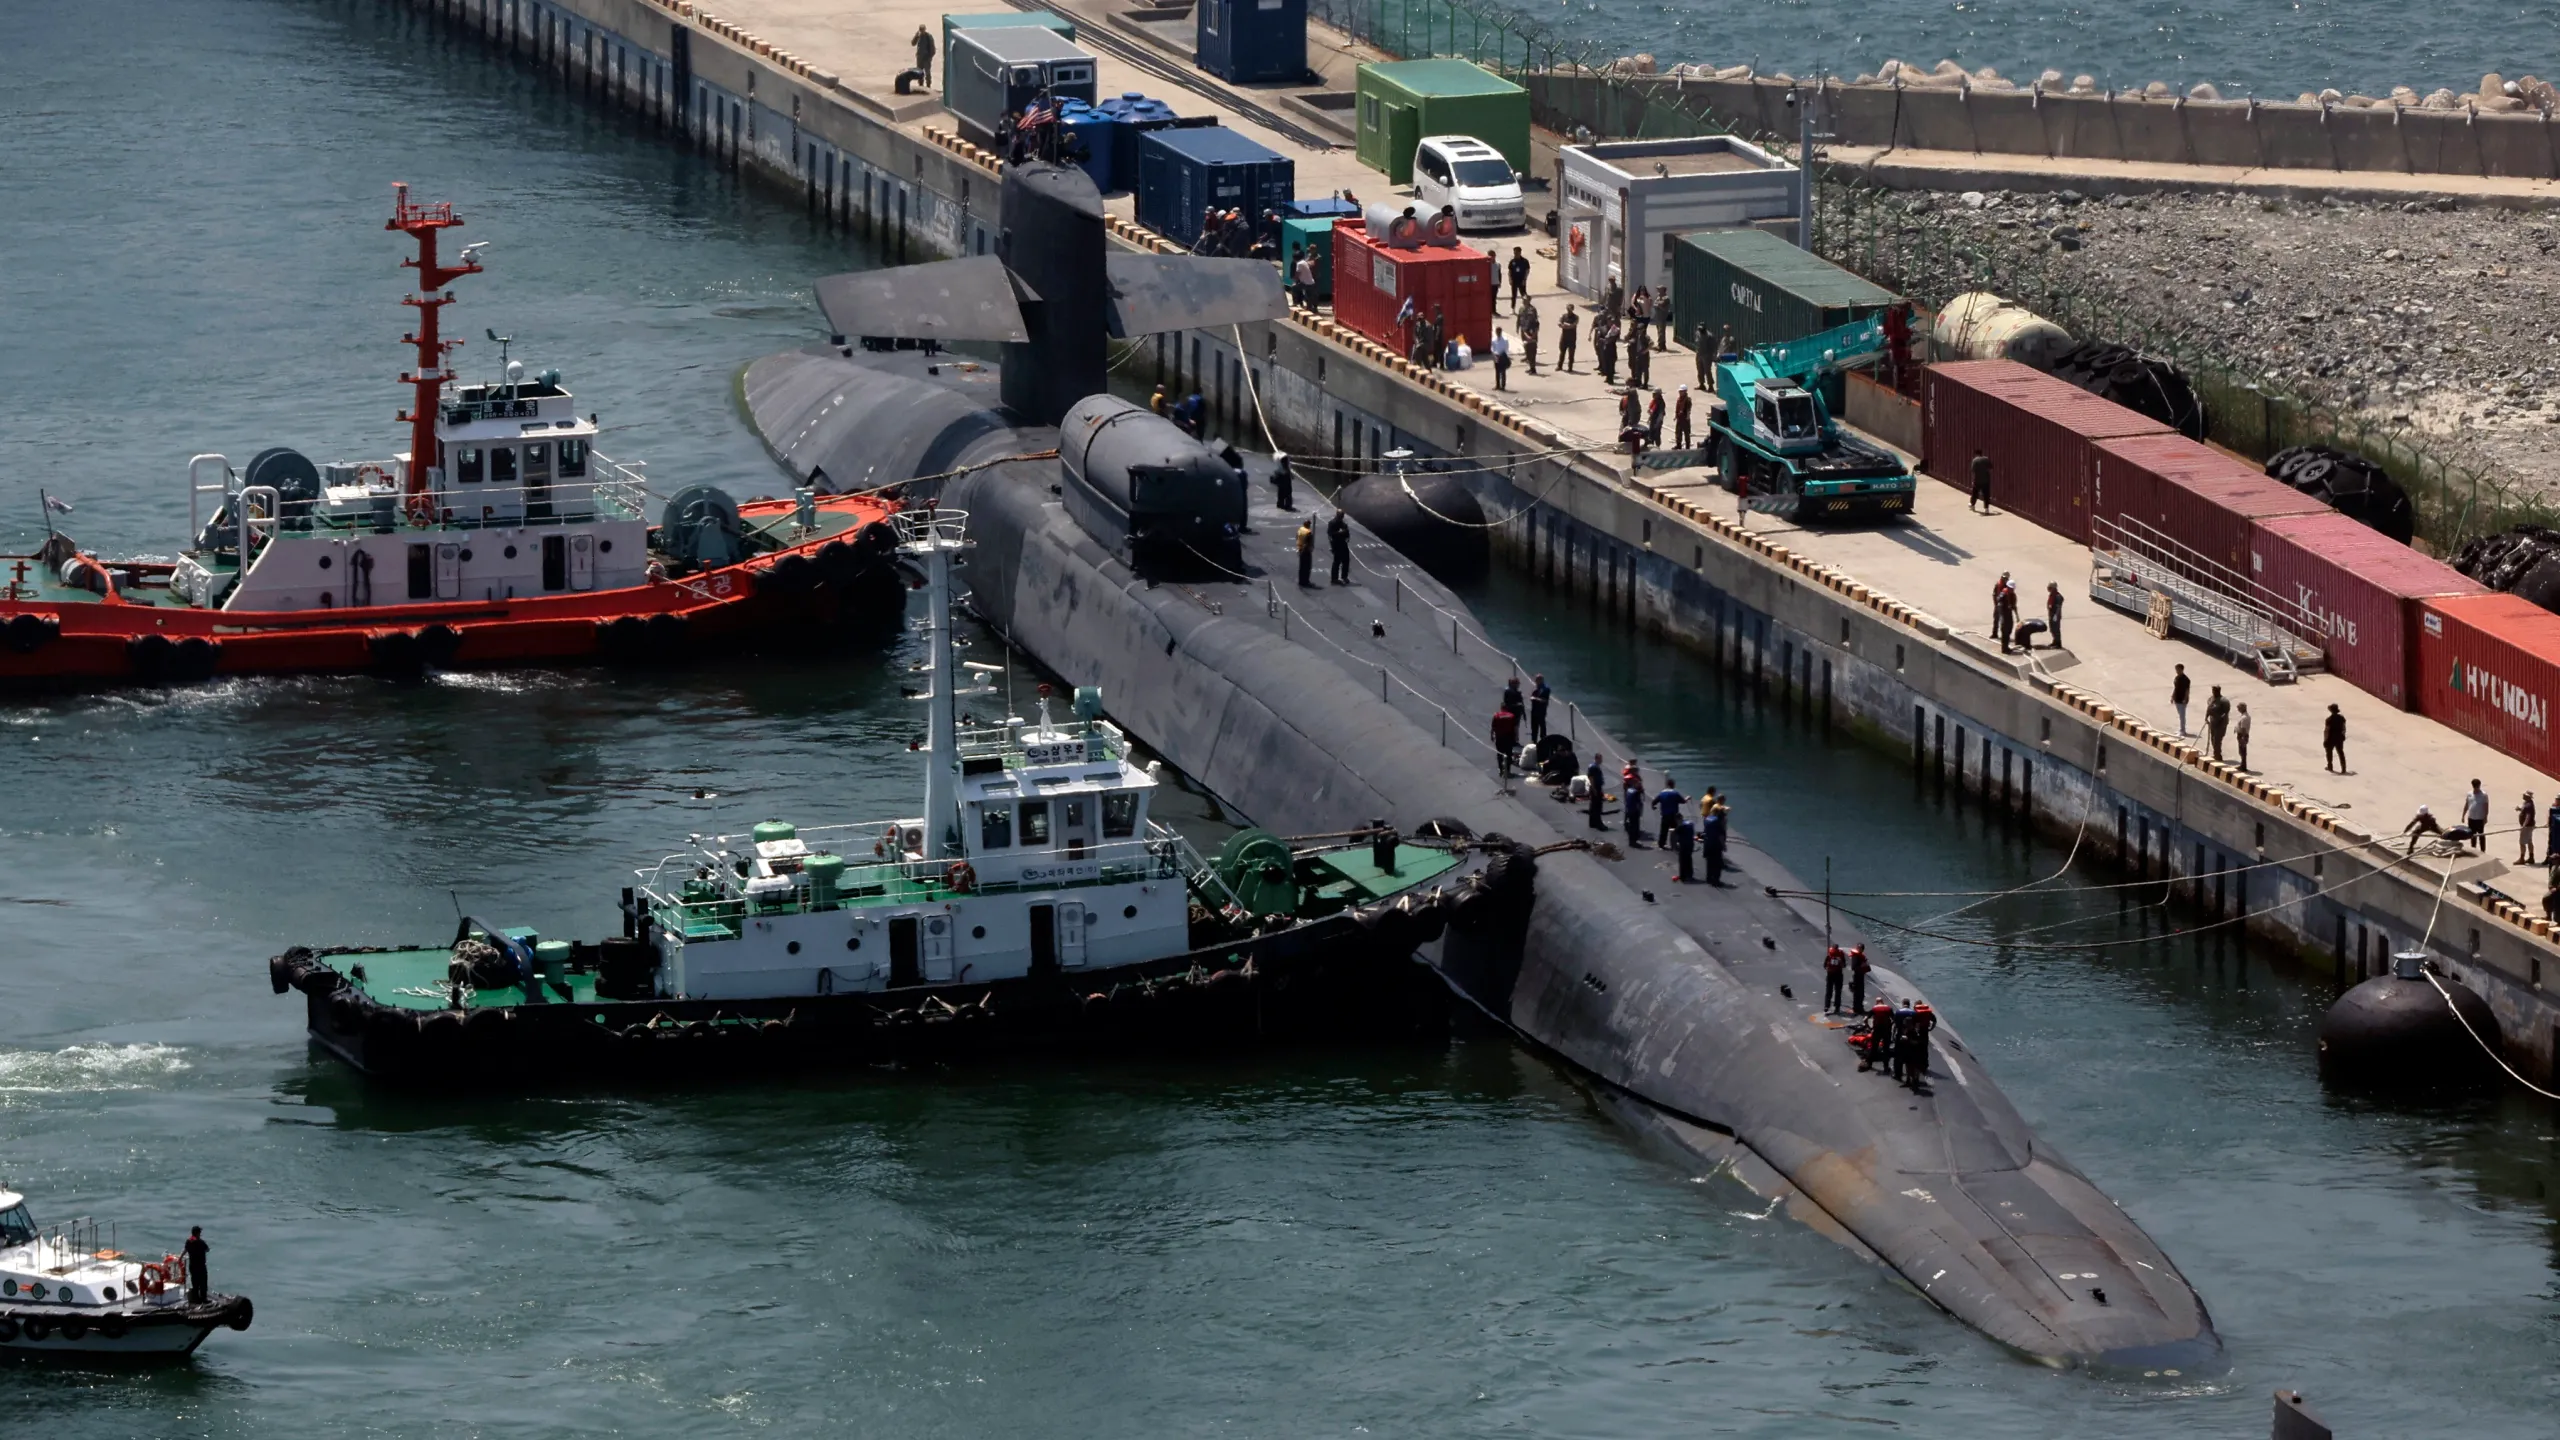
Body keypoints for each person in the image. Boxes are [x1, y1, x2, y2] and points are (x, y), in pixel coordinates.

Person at [1858, 998, 1892, 1072]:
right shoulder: (1888, 1008)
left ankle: (1869, 1063)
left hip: (1877, 1030)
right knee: (1886, 1049)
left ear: (1876, 1003)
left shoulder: (1874, 1009)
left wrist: (1869, 1027)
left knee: (1874, 1047)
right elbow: (1894, 1019)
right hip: (1886, 1031)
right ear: (1883, 1002)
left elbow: (1865, 1019)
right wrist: (1890, 1026)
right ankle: (1886, 1067)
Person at [1699, 802, 1728, 885]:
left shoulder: (1708, 818)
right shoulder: (1718, 822)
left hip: (1707, 843)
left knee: (1709, 862)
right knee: (1717, 863)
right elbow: (1720, 836)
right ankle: (1716, 880)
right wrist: (1724, 846)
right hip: (1715, 845)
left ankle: (1708, 878)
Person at [1655, 775, 1686, 847]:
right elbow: (1683, 801)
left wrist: (1653, 806)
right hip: (1673, 815)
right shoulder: (1675, 793)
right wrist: (1687, 798)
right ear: (1673, 785)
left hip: (1665, 815)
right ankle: (1676, 843)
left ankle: (1661, 844)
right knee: (1676, 829)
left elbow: (1654, 801)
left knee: (1663, 830)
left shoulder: (1662, 793)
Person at [1491, 704, 1520, 779]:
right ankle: (1508, 771)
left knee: (1500, 754)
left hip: (1499, 737)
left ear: (1501, 708)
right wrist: (1516, 737)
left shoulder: (1496, 715)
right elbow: (1515, 728)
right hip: (1509, 737)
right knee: (1509, 754)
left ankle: (1501, 770)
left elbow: (1493, 727)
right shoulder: (1512, 716)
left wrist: (1492, 736)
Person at [183, 1226, 210, 1304]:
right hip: (201, 1266)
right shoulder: (201, 1242)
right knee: (203, 1283)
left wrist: (180, 1258)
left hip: (192, 1266)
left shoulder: (189, 1241)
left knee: (195, 1283)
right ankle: (203, 1299)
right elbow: (207, 1249)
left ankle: (196, 1299)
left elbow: (185, 1250)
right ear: (198, 1233)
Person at [1621, 764, 1646, 848]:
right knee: (1634, 825)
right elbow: (1638, 802)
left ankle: (1631, 838)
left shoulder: (1629, 790)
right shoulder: (1635, 791)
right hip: (1634, 810)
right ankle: (1633, 841)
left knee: (1630, 822)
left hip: (1629, 807)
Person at [2205, 686, 2231, 761]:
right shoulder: (2211, 699)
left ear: (2218, 691)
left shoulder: (2224, 701)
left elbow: (2225, 713)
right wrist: (2206, 717)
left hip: (2221, 724)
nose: (2213, 692)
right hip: (2213, 723)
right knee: (2213, 739)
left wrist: (2219, 719)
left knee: (2217, 740)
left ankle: (2218, 756)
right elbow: (2209, 709)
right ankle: (2215, 753)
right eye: (2213, 691)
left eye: (2215, 691)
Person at [2465, 779, 2491, 852]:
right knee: (2472, 835)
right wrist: (2463, 815)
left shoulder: (2484, 795)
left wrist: (2485, 817)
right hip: (2471, 818)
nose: (2476, 788)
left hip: (2480, 818)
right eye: (2475, 787)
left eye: (2477, 786)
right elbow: (2467, 804)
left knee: (2481, 835)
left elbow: (2486, 806)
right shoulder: (2469, 794)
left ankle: (2483, 850)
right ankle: (2473, 849)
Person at [1326, 508, 1352, 585]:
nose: (1342, 517)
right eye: (1341, 515)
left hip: (1343, 544)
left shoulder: (1343, 524)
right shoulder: (1332, 523)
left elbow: (1347, 533)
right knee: (1336, 562)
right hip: (1336, 544)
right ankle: (1334, 578)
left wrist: (1347, 537)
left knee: (1346, 560)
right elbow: (1330, 534)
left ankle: (1344, 576)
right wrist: (1339, 533)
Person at [1628, 315, 1652, 389]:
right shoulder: (1637, 336)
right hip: (1638, 355)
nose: (1638, 330)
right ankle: (1639, 383)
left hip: (1644, 356)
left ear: (1643, 329)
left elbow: (1651, 343)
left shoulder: (1645, 336)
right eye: (1638, 329)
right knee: (1638, 370)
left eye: (1640, 329)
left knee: (1645, 370)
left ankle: (1645, 384)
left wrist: (1645, 351)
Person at [1520, 296, 1542, 375]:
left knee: (1532, 353)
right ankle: (1530, 366)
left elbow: (1536, 329)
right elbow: (1520, 318)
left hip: (1532, 338)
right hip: (1525, 331)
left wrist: (1531, 337)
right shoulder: (1522, 308)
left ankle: (1533, 369)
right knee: (1528, 350)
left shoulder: (1532, 311)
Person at [1822, 945, 1847, 1014]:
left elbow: (1844, 965)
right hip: (1833, 974)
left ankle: (1832, 1006)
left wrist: (1840, 961)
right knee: (1832, 991)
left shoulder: (1835, 955)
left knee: (1835, 991)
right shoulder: (1830, 955)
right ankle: (1829, 1006)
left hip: (1836, 974)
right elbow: (1825, 965)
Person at [1673, 811, 1697, 882]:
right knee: (1689, 859)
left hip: (1684, 845)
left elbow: (1675, 833)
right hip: (1690, 844)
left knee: (1682, 860)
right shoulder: (1690, 823)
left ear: (1677, 819)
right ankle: (1690, 874)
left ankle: (1682, 876)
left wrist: (1676, 844)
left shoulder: (1680, 826)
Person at [2323, 703, 2347, 772]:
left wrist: (2325, 739)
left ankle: (2330, 766)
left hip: (2331, 738)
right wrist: (2343, 735)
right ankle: (2343, 768)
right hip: (2339, 737)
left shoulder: (2329, 719)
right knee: (2340, 752)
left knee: (2329, 752)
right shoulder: (2341, 718)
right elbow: (2344, 728)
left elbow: (2327, 730)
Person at [1586, 753, 1607, 831]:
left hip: (1597, 787)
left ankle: (1592, 823)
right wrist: (1594, 789)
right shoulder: (1593, 767)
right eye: (1600, 759)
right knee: (1597, 806)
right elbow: (1591, 778)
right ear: (1597, 758)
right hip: (1596, 788)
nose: (1601, 760)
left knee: (1593, 806)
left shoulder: (1595, 766)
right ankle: (1598, 823)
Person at [1848, 943, 1872, 1012]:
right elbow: (1854, 967)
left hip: (1860, 976)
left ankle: (1859, 1006)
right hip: (1857, 976)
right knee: (1857, 993)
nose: (1859, 949)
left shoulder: (1861, 956)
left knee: (1860, 993)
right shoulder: (1855, 956)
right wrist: (1862, 966)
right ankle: (1857, 1007)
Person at [1969, 449, 1994, 513]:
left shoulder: (1975, 460)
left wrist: (1973, 480)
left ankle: (1972, 505)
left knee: (1975, 493)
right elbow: (1991, 468)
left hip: (1977, 480)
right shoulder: (1986, 459)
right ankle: (1986, 508)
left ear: (1976, 454)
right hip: (1986, 480)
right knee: (1986, 495)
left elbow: (1973, 471)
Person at [1529, 674, 1552, 743]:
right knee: (1534, 727)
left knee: (1542, 726)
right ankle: (1534, 741)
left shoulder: (1546, 689)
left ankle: (1543, 740)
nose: (1536, 681)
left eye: (1537, 680)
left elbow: (1545, 700)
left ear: (1541, 680)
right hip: (1534, 710)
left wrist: (1535, 699)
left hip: (1541, 710)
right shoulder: (1536, 688)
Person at [1557, 305, 1580, 373]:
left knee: (1571, 353)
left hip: (1572, 338)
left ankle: (1570, 367)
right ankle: (1559, 366)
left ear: (1573, 309)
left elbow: (1573, 325)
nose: (1569, 310)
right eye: (1568, 309)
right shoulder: (1564, 316)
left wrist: (1565, 325)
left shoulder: (1576, 317)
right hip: (1564, 337)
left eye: (1570, 309)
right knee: (1562, 352)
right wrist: (1566, 325)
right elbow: (1559, 323)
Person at [1507, 246, 1530, 312]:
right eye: (1514, 253)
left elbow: (1527, 270)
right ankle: (1513, 308)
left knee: (1524, 294)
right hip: (1514, 280)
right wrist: (1510, 279)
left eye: (1517, 253)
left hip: (1521, 280)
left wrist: (1525, 279)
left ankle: (1527, 307)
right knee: (1514, 295)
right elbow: (1510, 271)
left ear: (1520, 252)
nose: (1515, 254)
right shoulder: (1512, 261)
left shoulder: (1524, 261)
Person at [2172, 665, 2192, 736]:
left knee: (2182, 716)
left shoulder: (2186, 680)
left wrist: (2185, 699)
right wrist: (2172, 696)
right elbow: (2175, 688)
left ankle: (2183, 731)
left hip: (2182, 699)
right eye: (2176, 669)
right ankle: (2180, 729)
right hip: (2177, 698)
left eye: (2178, 669)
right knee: (2180, 715)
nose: (2176, 671)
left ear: (2181, 669)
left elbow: (2187, 690)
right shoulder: (2177, 678)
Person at [1295, 516, 1315, 587]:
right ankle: (1306, 581)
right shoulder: (1308, 532)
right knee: (1307, 567)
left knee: (1301, 567)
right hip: (1306, 551)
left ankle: (1301, 581)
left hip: (1300, 549)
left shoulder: (1300, 529)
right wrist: (1309, 548)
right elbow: (1308, 543)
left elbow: (1297, 537)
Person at [1673, 385, 1695, 450]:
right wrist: (1676, 416)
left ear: (1685, 391)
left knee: (1687, 433)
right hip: (1679, 419)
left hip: (1685, 419)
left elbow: (1688, 409)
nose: (1680, 393)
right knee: (1678, 432)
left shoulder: (1688, 400)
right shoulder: (1679, 399)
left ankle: (1687, 446)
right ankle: (1678, 445)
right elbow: (1677, 408)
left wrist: (1688, 416)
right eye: (1679, 391)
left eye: (1681, 391)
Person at [2521, 791, 2540, 865]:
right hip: (2529, 826)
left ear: (2527, 797)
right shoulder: (2528, 803)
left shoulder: (2528, 805)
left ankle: (2522, 858)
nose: (2523, 796)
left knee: (2522, 843)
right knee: (2529, 841)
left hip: (2527, 827)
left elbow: (2528, 816)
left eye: (2524, 795)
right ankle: (2531, 857)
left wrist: (2524, 826)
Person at [2045, 581, 2064, 649]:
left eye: (2049, 587)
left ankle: (2058, 643)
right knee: (2052, 629)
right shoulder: (2052, 595)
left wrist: (2056, 615)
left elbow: (2059, 607)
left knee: (2056, 629)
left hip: (2055, 615)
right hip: (2051, 614)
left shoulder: (2058, 596)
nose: (2048, 588)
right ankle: (2054, 641)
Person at [2234, 702, 2252, 771]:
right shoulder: (2243, 716)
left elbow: (2243, 728)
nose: (2238, 709)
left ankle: (2243, 766)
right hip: (2241, 735)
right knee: (2241, 751)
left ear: (2242, 708)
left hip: (2242, 735)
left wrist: (2243, 738)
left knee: (2242, 751)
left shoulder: (2244, 718)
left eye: (2239, 708)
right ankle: (2242, 765)